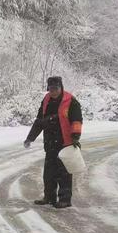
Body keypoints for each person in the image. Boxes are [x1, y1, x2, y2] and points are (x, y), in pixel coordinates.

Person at [24, 76, 83, 208]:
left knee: (64, 173)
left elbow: (77, 120)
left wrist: (75, 136)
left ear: (61, 87)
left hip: (65, 142)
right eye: (51, 89)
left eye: (56, 88)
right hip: (50, 142)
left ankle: (65, 199)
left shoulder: (70, 101)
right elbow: (39, 121)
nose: (53, 91)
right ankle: (49, 197)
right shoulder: (46, 101)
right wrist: (30, 138)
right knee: (49, 172)